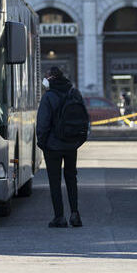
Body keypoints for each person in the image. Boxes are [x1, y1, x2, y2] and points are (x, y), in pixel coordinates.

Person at [37, 66, 88, 228]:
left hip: (53, 145)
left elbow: (43, 123)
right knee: (71, 178)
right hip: (71, 143)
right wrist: (78, 140)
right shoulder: (74, 93)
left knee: (55, 181)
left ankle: (59, 217)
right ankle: (75, 214)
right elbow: (84, 118)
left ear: (50, 78)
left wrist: (42, 142)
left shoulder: (49, 96)